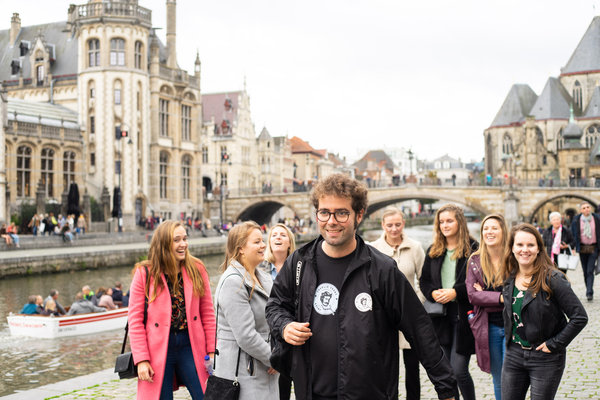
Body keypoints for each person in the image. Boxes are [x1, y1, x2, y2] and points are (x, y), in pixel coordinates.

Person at [266, 174, 456, 400]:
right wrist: (285, 326)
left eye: (342, 213)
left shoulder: (382, 270)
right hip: (312, 393)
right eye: (324, 212)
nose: (331, 221)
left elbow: (419, 329)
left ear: (359, 215)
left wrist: (446, 388)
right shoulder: (299, 262)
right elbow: (275, 306)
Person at [129, 220, 215, 400]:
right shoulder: (145, 273)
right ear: (163, 243)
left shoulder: (197, 269)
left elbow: (207, 313)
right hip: (158, 348)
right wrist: (142, 359)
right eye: (177, 240)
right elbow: (135, 321)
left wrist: (212, 349)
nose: (183, 244)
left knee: (207, 395)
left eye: (185, 238)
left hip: (191, 345)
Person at [501, 223, 588, 400]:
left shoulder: (553, 278)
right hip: (514, 355)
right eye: (519, 245)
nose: (524, 250)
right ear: (511, 248)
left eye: (530, 245)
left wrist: (554, 344)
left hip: (545, 358)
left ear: (539, 249)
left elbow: (579, 317)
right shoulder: (509, 278)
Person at [214, 221, 278, 400]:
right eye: (257, 242)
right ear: (241, 248)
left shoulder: (263, 277)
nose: (263, 245)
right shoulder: (233, 282)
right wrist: (275, 358)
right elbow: (246, 335)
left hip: (264, 367)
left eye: (262, 241)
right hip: (242, 372)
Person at [420, 203, 478, 400]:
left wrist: (455, 292)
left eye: (449, 221)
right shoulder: (434, 250)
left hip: (464, 317)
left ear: (459, 222)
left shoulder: (473, 249)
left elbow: (480, 281)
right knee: (446, 373)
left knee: (459, 370)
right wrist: (433, 293)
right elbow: (424, 281)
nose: (445, 225)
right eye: (441, 222)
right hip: (439, 317)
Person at [368, 207, 425, 400]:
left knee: (412, 368)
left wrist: (415, 304)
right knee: (385, 367)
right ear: (383, 225)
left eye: (398, 225)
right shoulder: (373, 249)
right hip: (384, 317)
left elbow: (423, 281)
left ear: (404, 224)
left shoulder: (415, 247)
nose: (394, 229)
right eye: (390, 225)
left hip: (409, 315)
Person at [466, 214, 507, 400]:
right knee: (498, 379)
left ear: (503, 231)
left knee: (512, 378)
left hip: (513, 326)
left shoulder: (513, 257)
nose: (489, 232)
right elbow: (473, 296)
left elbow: (517, 295)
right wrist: (500, 298)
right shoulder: (475, 260)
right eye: (486, 229)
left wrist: (486, 295)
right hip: (488, 327)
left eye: (494, 228)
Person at [262, 223, 296, 400]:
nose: (278, 237)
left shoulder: (299, 268)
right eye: (274, 235)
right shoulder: (260, 271)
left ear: (289, 242)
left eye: (283, 235)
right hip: (271, 337)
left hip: (295, 336)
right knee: (280, 392)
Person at [570, 201, 600, 301]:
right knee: (585, 271)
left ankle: (589, 292)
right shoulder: (576, 220)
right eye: (584, 208)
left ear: (590, 208)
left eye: (588, 207)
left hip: (594, 248)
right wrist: (572, 247)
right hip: (582, 249)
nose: (586, 209)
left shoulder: (597, 218)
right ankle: (588, 288)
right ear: (581, 210)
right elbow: (573, 234)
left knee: (590, 270)